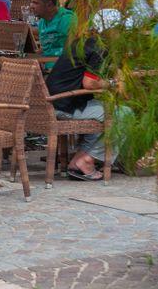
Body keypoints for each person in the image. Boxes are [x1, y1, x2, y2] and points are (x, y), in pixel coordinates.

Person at [45, 36, 118, 181]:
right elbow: (89, 84)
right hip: (65, 105)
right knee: (120, 114)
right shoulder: (99, 48)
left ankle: (79, 160)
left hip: (49, 103)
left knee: (103, 111)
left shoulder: (80, 43)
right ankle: (87, 160)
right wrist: (113, 83)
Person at [30, 0, 75, 66]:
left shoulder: (66, 20)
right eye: (31, 2)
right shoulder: (42, 21)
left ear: (49, 5)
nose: (31, 6)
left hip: (61, 68)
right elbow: (49, 48)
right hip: (43, 65)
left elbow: (71, 53)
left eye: (36, 3)